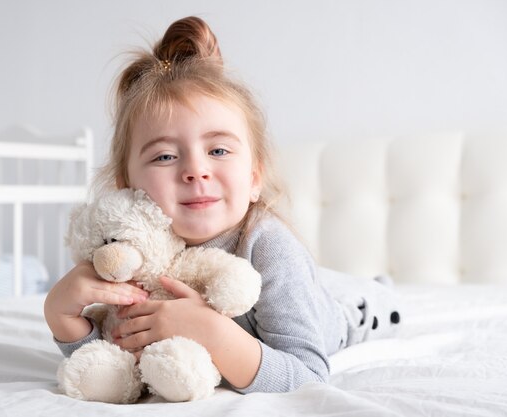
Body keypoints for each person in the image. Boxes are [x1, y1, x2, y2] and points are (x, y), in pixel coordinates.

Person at [44, 15, 401, 395]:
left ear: (253, 178)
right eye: (164, 157)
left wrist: (211, 331)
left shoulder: (270, 248)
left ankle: (379, 291)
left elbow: (308, 378)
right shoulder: (126, 252)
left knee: (357, 305)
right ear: (125, 186)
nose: (196, 170)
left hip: (338, 310)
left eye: (218, 150)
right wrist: (63, 318)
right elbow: (118, 350)